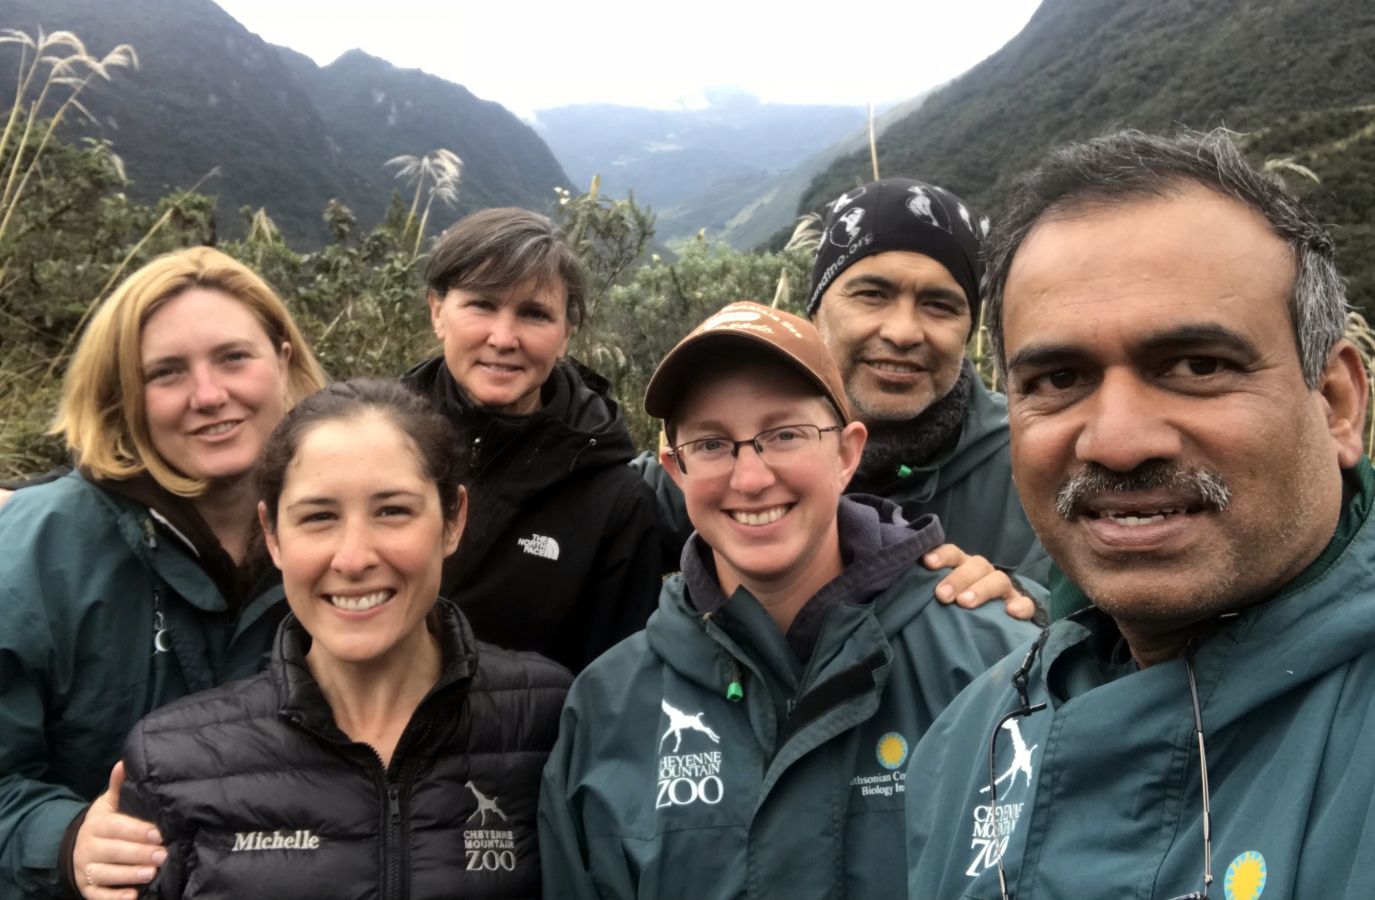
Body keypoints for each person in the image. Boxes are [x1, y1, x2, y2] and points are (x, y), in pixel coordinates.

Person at [905, 129, 1375, 899]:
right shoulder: (966, 746)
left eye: (1198, 366)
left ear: (1336, 404)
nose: (1119, 442)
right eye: (1059, 377)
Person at [538, 302, 1037, 900]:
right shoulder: (605, 709)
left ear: (848, 453)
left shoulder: (995, 668)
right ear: (675, 469)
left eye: (785, 435)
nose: (750, 478)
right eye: (713, 443)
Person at [118, 379, 572, 899]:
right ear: (272, 534)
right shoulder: (173, 762)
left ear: (453, 520)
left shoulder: (552, 722)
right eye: (319, 517)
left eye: (393, 511)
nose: (354, 558)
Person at [0, 247, 325, 899]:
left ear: (284, 363)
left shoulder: (344, 533)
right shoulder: (37, 550)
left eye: (235, 357)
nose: (209, 396)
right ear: (124, 396)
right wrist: (63, 841)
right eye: (167, 373)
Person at [634, 179, 1045, 617]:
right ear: (815, 309)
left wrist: (1030, 604)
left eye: (939, 305)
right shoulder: (723, 458)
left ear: (969, 327)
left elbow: (1106, 627)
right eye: (872, 295)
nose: (902, 332)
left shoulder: (1034, 462)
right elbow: (595, 516)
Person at [403, 208, 662, 673]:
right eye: (481, 304)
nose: (503, 338)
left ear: (565, 335)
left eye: (534, 314)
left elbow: (611, 695)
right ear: (438, 311)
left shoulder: (614, 505)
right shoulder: (373, 448)